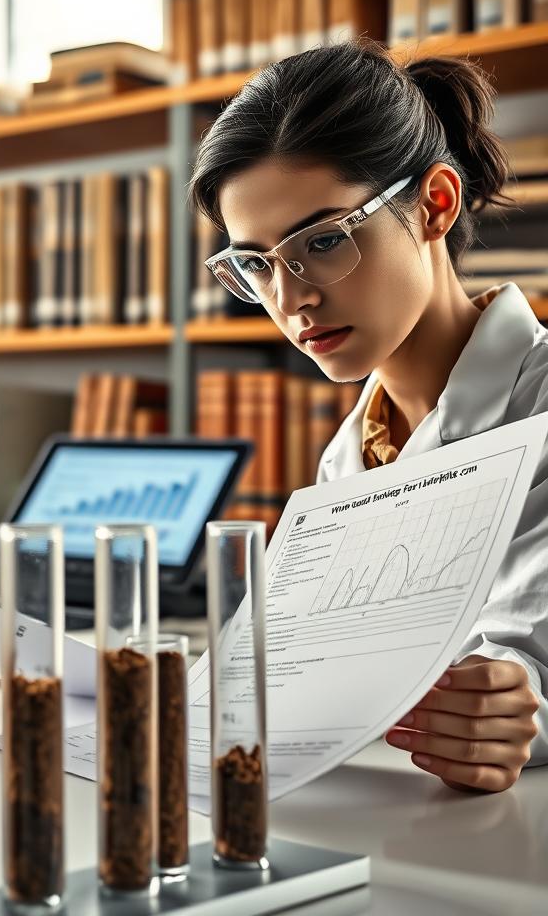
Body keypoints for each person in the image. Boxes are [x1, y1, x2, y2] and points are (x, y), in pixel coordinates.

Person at [190, 39, 545, 793]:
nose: (291, 301)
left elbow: (528, 664)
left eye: (322, 241)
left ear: (435, 205)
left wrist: (521, 706)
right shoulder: (354, 452)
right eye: (255, 263)